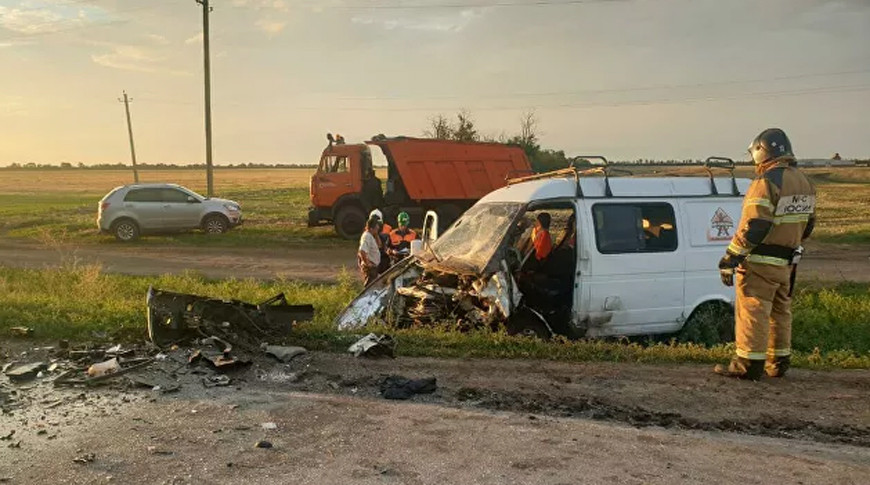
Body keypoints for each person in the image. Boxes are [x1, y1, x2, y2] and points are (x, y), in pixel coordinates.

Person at [715, 128, 816, 380]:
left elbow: (755, 225)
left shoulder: (766, 182)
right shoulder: (806, 182)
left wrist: (731, 256)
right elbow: (809, 224)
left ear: (761, 151)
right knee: (780, 312)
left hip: (760, 261)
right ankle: (778, 362)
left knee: (753, 309)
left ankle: (747, 365)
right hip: (786, 263)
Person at [358, 217, 382, 286]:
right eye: (376, 228)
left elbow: (380, 245)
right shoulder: (366, 236)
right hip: (370, 269)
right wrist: (368, 264)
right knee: (369, 288)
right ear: (371, 228)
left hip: (374, 267)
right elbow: (362, 251)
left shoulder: (371, 236)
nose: (378, 229)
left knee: (373, 287)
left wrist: (376, 234)